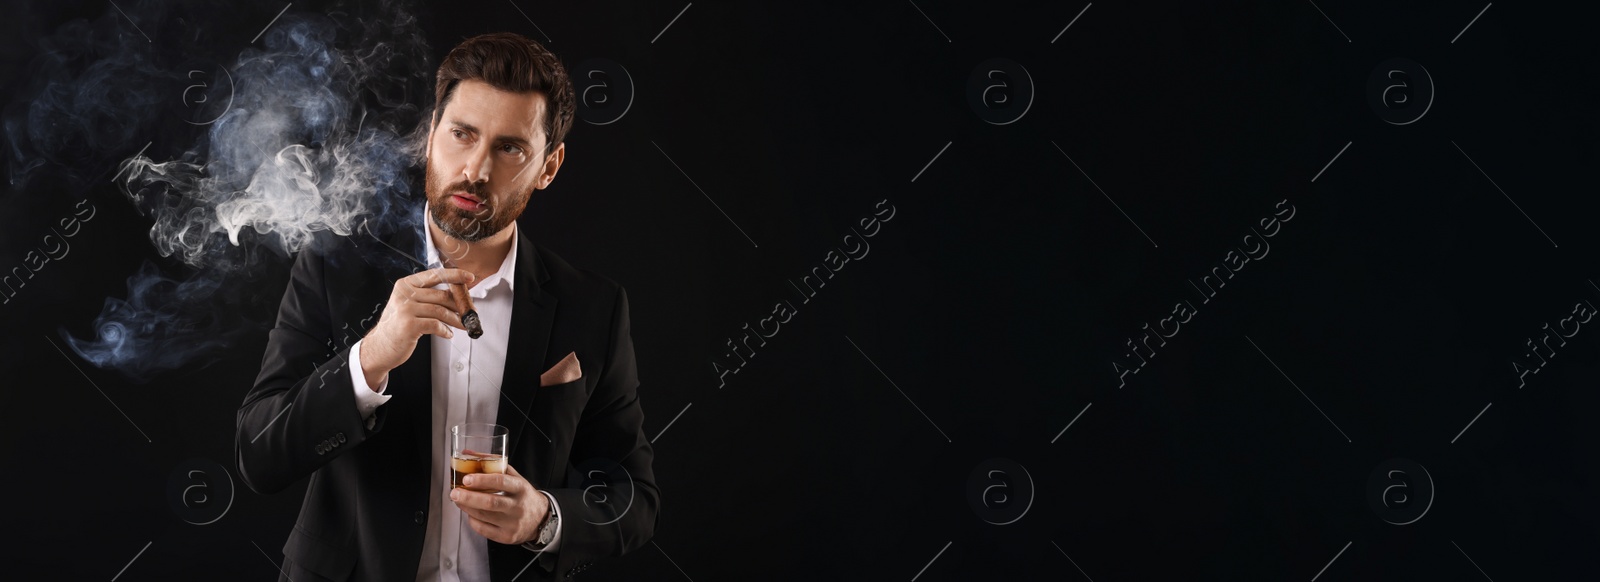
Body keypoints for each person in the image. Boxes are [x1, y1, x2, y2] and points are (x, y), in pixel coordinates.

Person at [236, 32, 658, 582]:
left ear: (549, 167)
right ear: (431, 134)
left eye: (510, 148)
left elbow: (633, 497)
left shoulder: (593, 307)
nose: (476, 170)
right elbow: (258, 456)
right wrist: (370, 359)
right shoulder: (334, 266)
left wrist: (543, 518)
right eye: (462, 134)